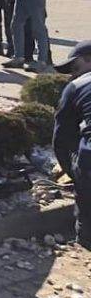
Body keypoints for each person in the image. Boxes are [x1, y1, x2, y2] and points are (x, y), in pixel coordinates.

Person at [53, 40, 91, 248]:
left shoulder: (77, 86)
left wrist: (73, 173)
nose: (73, 75)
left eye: (75, 68)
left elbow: (61, 138)